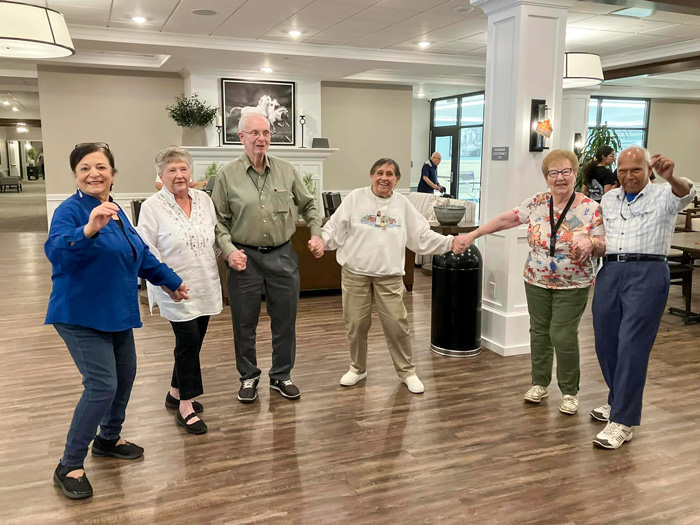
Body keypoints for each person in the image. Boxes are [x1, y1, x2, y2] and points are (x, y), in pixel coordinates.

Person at [46, 143, 188, 500]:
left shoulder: (117, 211)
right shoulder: (70, 211)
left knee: (124, 377)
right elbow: (56, 251)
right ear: (76, 175)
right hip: (79, 314)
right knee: (101, 384)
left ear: (113, 173)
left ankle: (108, 438)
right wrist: (88, 230)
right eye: (84, 168)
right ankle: (69, 464)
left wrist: (170, 281)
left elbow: (138, 254)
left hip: (116, 312)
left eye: (100, 167)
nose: (93, 173)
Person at [458, 150, 606, 414]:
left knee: (562, 334)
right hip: (536, 279)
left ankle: (570, 391)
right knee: (538, 332)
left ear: (575, 173)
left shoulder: (590, 208)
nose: (560, 178)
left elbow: (605, 244)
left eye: (566, 171)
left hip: (573, 283)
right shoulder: (537, 202)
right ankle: (540, 383)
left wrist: (592, 243)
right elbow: (507, 219)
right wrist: (474, 234)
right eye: (554, 173)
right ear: (546, 177)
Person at [317, 158, 468, 393]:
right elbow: (334, 228)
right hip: (355, 274)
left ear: (397, 180)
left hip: (389, 277)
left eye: (389, 174)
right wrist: (321, 240)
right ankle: (358, 368)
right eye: (379, 172)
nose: (384, 177)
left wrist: (450, 242)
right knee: (356, 325)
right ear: (371, 176)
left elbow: (421, 237)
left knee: (397, 326)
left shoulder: (403, 205)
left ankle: (407, 371)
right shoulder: (355, 198)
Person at [211, 112, 323, 403]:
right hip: (243, 257)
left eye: (267, 133)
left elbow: (310, 205)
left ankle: (281, 375)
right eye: (255, 133)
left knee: (285, 320)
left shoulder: (286, 170)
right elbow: (218, 222)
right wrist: (229, 249)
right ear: (242, 138)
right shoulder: (226, 175)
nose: (262, 138)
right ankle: (248, 377)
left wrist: (316, 232)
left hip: (282, 256)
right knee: (244, 323)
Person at [590, 147, 695, 449]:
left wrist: (672, 176)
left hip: (647, 272)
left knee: (633, 345)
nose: (628, 176)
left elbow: (687, 193)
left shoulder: (665, 194)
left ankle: (623, 420)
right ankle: (617, 399)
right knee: (606, 342)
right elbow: (604, 235)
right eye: (622, 170)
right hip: (610, 271)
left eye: (635, 170)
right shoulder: (610, 198)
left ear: (648, 169)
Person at [137, 146, 222, 435]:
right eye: (172, 170)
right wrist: (167, 282)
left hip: (205, 283)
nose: (179, 175)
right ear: (160, 175)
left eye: (183, 169)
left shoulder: (204, 200)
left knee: (194, 343)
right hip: (175, 287)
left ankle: (174, 392)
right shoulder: (152, 207)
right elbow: (145, 249)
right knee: (187, 344)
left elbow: (215, 237)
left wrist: (234, 254)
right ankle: (186, 405)